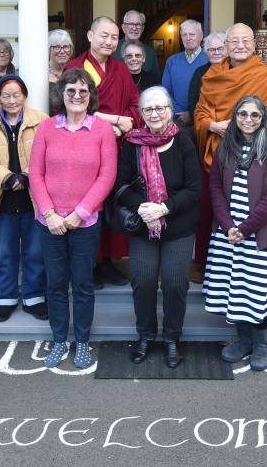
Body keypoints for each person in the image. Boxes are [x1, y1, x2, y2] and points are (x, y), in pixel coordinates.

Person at [30, 68, 117, 369]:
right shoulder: (46, 128)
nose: (77, 96)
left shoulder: (102, 130)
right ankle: (59, 340)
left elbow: (107, 176)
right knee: (55, 284)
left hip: (85, 223)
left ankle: (81, 341)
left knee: (82, 284)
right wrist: (50, 213)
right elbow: (36, 175)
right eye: (71, 91)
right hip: (50, 222)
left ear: (91, 95)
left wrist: (80, 213)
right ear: (61, 95)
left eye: (83, 91)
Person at [114, 86, 202, 368]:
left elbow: (194, 188)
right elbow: (120, 186)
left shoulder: (184, 141)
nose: (154, 113)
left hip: (178, 225)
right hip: (143, 226)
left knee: (176, 282)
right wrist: (144, 207)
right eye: (148, 109)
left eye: (160, 108)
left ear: (169, 110)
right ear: (141, 114)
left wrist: (163, 208)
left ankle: (172, 338)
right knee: (143, 280)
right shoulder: (132, 143)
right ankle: (146, 335)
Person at [193, 23, 267, 282]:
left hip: (251, 158)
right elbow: (200, 113)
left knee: (249, 211)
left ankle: (249, 274)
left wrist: (243, 128)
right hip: (219, 156)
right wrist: (212, 125)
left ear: (254, 44)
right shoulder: (213, 74)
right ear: (226, 46)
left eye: (245, 41)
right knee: (214, 211)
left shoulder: (264, 75)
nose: (240, 46)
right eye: (234, 41)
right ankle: (209, 268)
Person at [204, 96, 267, 371]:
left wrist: (245, 228)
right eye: (242, 114)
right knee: (236, 288)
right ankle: (243, 341)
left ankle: (262, 344)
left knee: (256, 291)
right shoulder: (226, 146)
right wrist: (229, 225)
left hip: (260, 233)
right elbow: (215, 186)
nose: (248, 119)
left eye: (254, 115)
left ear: (263, 117)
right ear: (235, 117)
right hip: (229, 233)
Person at [65, 16, 141, 287]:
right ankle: (90, 264)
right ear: (89, 35)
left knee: (113, 202)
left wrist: (123, 127)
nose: (109, 41)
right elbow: (72, 106)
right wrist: (114, 121)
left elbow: (134, 104)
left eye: (113, 37)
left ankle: (108, 260)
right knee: (89, 202)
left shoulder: (120, 69)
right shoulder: (75, 67)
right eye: (104, 35)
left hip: (118, 146)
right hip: (85, 147)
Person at [0, 75, 49, 323]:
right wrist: (6, 178)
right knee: (4, 252)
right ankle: (6, 299)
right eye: (6, 95)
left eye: (17, 94)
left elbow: (50, 155)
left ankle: (34, 297)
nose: (12, 100)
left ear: (24, 95)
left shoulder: (42, 122)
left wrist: (27, 177)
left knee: (35, 251)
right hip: (2, 199)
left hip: (33, 198)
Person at [162, 19, 208, 136]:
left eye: (192, 34)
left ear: (201, 36)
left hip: (202, 120)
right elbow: (165, 91)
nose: (188, 38)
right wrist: (178, 113)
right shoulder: (172, 61)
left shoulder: (209, 59)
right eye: (184, 35)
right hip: (176, 120)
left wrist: (191, 114)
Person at [187, 31, 227, 127]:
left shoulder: (236, 70)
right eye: (212, 49)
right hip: (208, 126)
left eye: (221, 48)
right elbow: (193, 103)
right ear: (206, 53)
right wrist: (209, 124)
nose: (217, 53)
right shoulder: (200, 73)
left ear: (228, 49)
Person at [113, 9, 161, 79]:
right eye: (131, 24)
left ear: (142, 28)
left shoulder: (150, 52)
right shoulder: (113, 48)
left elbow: (156, 80)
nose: (134, 28)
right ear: (123, 28)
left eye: (138, 24)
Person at [48, 29, 74, 115]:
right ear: (48, 49)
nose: (62, 51)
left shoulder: (75, 71)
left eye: (66, 47)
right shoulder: (41, 73)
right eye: (57, 47)